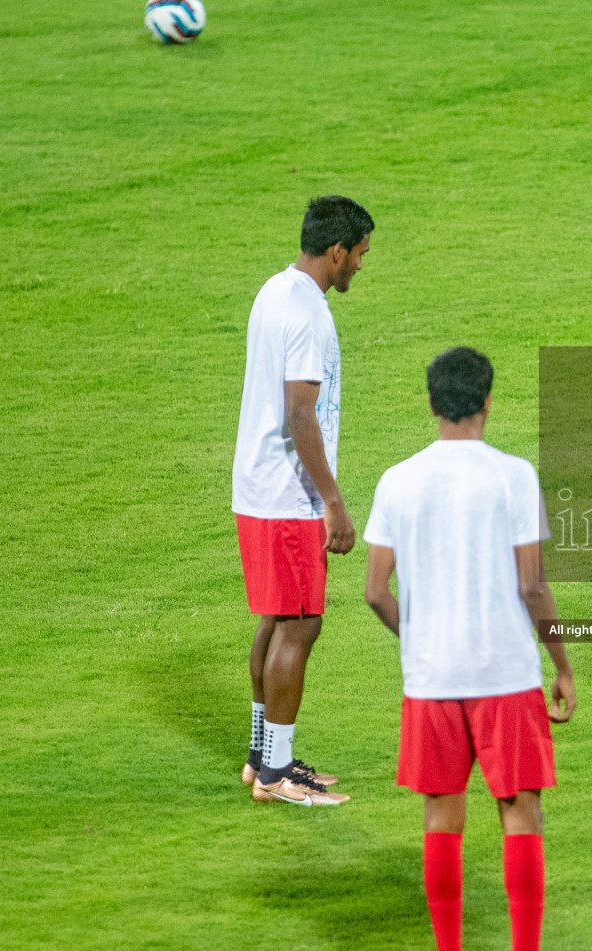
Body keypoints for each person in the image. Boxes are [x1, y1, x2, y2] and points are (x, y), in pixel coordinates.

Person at [363, 347, 584, 951]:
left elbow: (375, 591)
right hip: (505, 675)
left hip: (431, 681)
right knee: (520, 813)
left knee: (441, 817)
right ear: (488, 402)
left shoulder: (397, 480)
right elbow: (532, 585)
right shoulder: (513, 477)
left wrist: (423, 638)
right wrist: (563, 663)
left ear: (432, 404)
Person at [232, 195, 372, 806]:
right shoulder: (310, 314)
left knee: (276, 619)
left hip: (256, 485)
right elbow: (300, 412)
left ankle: (263, 756)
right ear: (336, 251)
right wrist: (333, 503)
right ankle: (277, 775)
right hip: (289, 495)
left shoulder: (274, 288)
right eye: (359, 255)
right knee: (301, 623)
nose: (361, 267)